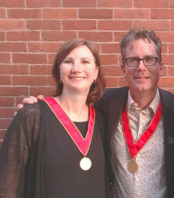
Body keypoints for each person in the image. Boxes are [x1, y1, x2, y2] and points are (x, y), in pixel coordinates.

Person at [14, 29, 174, 198]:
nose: (141, 67)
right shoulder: (105, 105)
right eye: (132, 60)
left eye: (150, 59)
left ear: (161, 67)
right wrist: (34, 110)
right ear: (123, 67)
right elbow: (69, 108)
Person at [0, 39, 107, 198]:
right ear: (59, 71)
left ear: (96, 72)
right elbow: (8, 184)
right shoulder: (33, 115)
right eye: (68, 61)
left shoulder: (100, 120)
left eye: (85, 61)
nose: (76, 68)